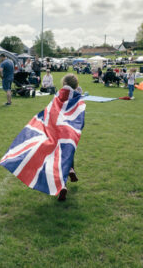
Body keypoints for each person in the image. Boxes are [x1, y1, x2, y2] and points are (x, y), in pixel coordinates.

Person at [58, 73, 81, 201]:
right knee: (69, 152)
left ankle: (62, 186)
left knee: (59, 157)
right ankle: (71, 169)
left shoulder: (59, 94)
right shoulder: (77, 96)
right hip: (71, 130)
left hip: (59, 129)